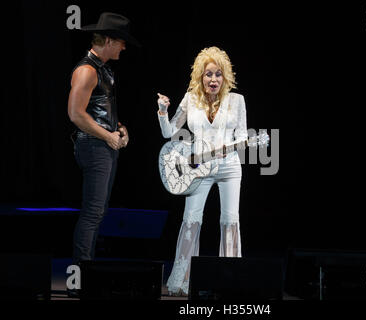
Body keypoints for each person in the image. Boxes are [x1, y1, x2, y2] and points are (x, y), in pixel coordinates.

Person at [157, 46, 248, 296]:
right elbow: (169, 132)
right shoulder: (191, 99)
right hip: (198, 169)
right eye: (209, 74)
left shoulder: (237, 101)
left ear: (225, 76)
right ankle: (183, 280)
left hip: (229, 167)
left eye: (218, 74)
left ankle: (229, 280)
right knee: (191, 221)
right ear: (200, 76)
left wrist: (228, 147)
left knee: (230, 221)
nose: (214, 79)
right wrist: (163, 111)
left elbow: (242, 137)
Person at [67, 12, 140, 267]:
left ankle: (86, 272)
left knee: (98, 212)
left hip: (104, 144)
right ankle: (80, 277)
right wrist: (108, 135)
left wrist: (119, 127)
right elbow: (76, 113)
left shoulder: (104, 69)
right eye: (121, 41)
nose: (124, 46)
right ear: (109, 40)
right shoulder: (87, 70)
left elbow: (99, 109)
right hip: (93, 145)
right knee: (92, 212)